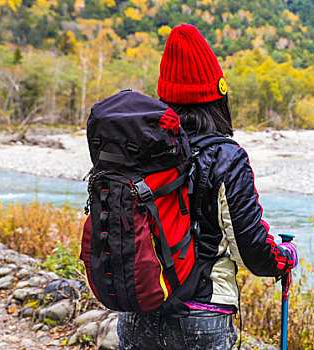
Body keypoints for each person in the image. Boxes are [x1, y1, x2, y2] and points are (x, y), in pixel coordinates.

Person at [117, 24, 298, 350]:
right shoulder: (226, 157)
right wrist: (285, 258)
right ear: (217, 96)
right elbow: (252, 252)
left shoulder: (137, 149)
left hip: (137, 310)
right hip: (202, 315)